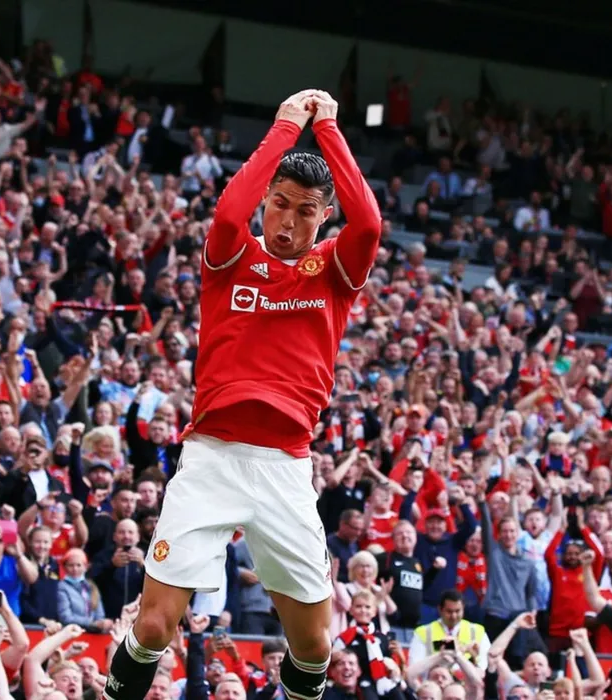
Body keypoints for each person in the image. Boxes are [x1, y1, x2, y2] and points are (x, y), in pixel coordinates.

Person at [104, 89, 381, 700]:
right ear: (265, 202)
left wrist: (328, 129)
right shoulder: (232, 256)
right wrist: (284, 127)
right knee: (152, 627)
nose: (288, 221)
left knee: (315, 647)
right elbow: (230, 211)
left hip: (285, 467)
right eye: (278, 204)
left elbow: (369, 222)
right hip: (212, 457)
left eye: (305, 211)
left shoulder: (334, 271)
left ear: (323, 217)